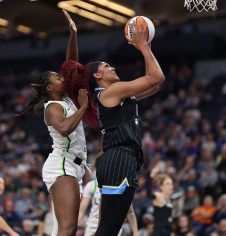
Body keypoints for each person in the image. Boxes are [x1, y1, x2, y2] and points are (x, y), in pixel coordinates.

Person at [62, 18, 165, 236]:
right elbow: (157, 76)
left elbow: (155, 84)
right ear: (97, 76)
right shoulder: (110, 92)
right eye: (106, 66)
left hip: (121, 158)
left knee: (109, 229)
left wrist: (146, 47)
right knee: (108, 230)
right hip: (119, 158)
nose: (113, 66)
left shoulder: (116, 93)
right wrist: (143, 46)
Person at [20, 11, 88, 236]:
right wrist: (84, 107)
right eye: (57, 78)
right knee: (67, 228)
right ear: (49, 88)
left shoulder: (66, 96)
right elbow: (65, 128)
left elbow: (72, 64)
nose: (62, 78)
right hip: (62, 165)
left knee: (71, 229)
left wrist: (73, 35)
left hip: (77, 166)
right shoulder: (53, 108)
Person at [78, 153, 139, 236]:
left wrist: (136, 233)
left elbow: (130, 211)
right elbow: (81, 210)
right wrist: (74, 228)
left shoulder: (120, 186)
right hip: (92, 229)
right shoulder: (91, 186)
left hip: (113, 231)